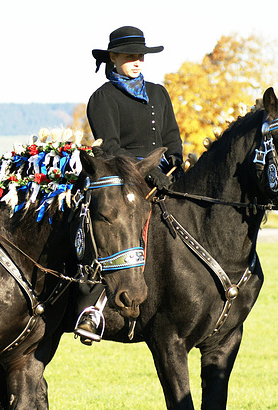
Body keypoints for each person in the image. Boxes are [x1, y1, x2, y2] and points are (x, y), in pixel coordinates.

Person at [74, 25, 183, 344]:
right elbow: (110, 147)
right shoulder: (102, 97)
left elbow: (172, 137)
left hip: (163, 174)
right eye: (130, 56)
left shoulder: (160, 93)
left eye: (141, 56)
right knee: (112, 225)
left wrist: (173, 162)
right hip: (122, 179)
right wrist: (146, 173)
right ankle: (91, 308)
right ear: (113, 57)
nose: (137, 61)